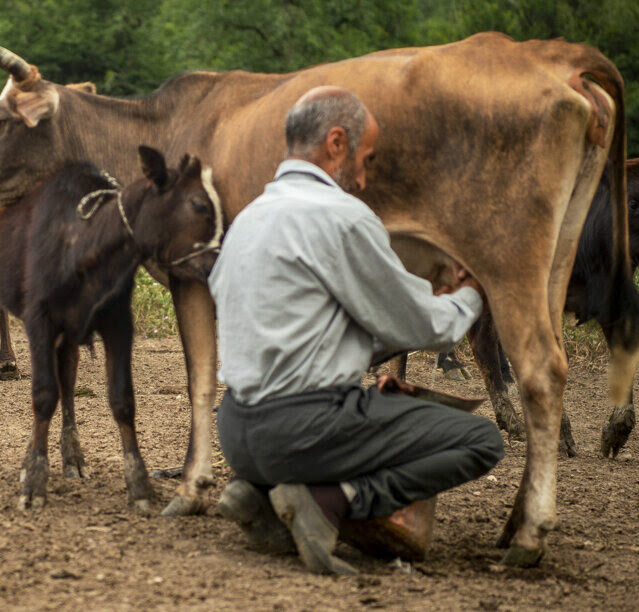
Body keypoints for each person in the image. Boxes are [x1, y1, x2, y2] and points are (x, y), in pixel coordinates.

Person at [208, 86, 504, 574]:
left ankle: (259, 493)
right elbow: (429, 325)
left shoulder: (248, 219)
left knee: (367, 414)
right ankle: (332, 500)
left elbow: (284, 329)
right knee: (480, 442)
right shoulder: (341, 217)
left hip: (237, 431)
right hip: (301, 432)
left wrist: (352, 357)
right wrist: (471, 293)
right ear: (337, 142)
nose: (364, 179)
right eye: (367, 159)